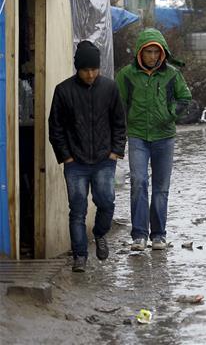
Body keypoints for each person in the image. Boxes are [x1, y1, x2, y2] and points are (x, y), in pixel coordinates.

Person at [49, 41, 127, 272]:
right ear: (78, 69)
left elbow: (119, 123)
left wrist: (115, 152)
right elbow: (55, 128)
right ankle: (80, 256)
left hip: (104, 160)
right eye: (85, 70)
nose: (90, 75)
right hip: (75, 163)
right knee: (77, 210)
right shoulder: (63, 91)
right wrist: (66, 157)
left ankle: (100, 233)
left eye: (94, 69)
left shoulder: (110, 88)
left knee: (106, 202)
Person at [116, 28, 192, 251]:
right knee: (138, 182)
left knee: (161, 187)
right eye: (148, 52)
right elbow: (118, 104)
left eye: (156, 52)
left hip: (164, 137)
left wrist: (169, 114)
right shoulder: (126, 75)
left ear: (162, 53)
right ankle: (139, 235)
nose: (152, 56)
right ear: (140, 52)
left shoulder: (172, 74)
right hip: (137, 136)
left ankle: (158, 235)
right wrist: (122, 129)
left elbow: (185, 98)